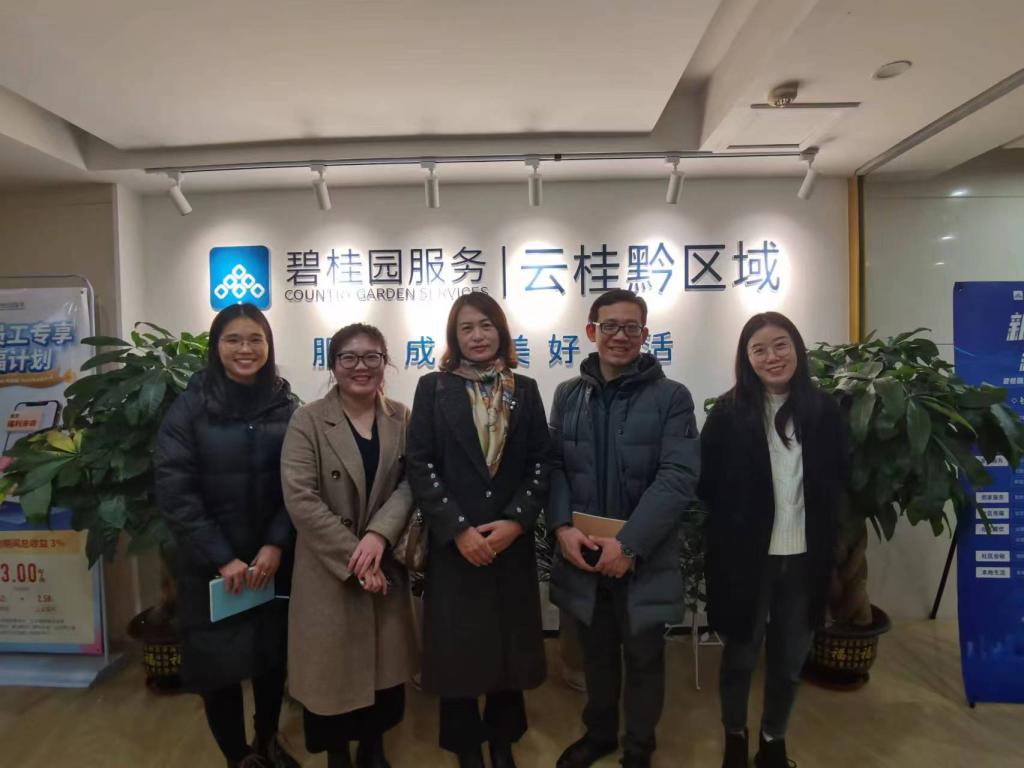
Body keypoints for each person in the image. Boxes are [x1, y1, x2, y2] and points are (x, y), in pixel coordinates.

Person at [547, 288, 700, 768]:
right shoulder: (568, 395)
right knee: (595, 656)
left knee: (644, 659)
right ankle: (599, 735)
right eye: (609, 326)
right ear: (591, 331)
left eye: (631, 327)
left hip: (643, 557)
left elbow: (678, 477)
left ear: (645, 334)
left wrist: (629, 546)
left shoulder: (672, 397)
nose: (620, 336)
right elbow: (555, 468)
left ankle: (638, 748)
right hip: (585, 553)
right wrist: (562, 528)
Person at [406, 293, 551, 768]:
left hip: (509, 542)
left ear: (501, 331)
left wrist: (516, 521)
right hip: (456, 545)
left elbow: (540, 462)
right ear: (454, 337)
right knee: (458, 649)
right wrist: (457, 529)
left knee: (508, 647)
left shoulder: (524, 389)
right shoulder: (433, 388)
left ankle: (503, 740)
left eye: (486, 325)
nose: (477, 335)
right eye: (466, 327)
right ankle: (465, 744)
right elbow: (420, 464)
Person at [155, 303, 300, 768]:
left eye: (255, 339)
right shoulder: (190, 406)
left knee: (270, 659)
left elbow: (300, 483)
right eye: (233, 339)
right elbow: (175, 490)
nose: (245, 349)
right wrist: (221, 555)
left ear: (268, 345)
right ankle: (239, 757)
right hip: (211, 567)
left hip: (272, 561)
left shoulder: (285, 405)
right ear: (216, 347)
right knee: (219, 669)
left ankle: (267, 741)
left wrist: (276, 543)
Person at [699, 312, 846, 768]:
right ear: (746, 359)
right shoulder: (727, 414)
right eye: (758, 350)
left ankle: (773, 739)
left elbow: (837, 481)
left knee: (789, 659)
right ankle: (735, 736)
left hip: (804, 558)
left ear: (797, 348)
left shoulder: (825, 411)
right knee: (741, 656)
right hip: (746, 560)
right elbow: (707, 487)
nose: (772, 357)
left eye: (780, 345)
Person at [281, 323, 418, 768]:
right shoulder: (307, 420)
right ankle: (337, 753)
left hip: (385, 561)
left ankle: (374, 747)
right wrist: (356, 557)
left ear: (385, 363)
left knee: (384, 670)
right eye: (349, 357)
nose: (361, 366)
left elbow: (411, 484)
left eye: (372, 357)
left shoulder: (402, 417)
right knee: (330, 674)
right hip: (329, 568)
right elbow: (301, 498)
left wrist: (378, 535)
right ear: (333, 364)